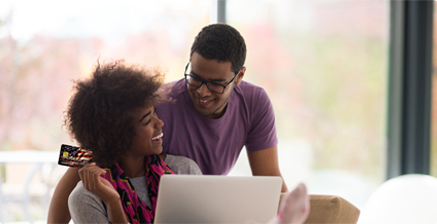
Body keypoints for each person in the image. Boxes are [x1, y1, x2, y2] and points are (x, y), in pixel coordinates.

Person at [48, 23, 289, 223]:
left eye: (216, 83)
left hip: (199, 204)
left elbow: (269, 178)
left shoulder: (255, 103)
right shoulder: (157, 103)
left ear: (239, 76)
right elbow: (80, 155)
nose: (202, 92)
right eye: (195, 77)